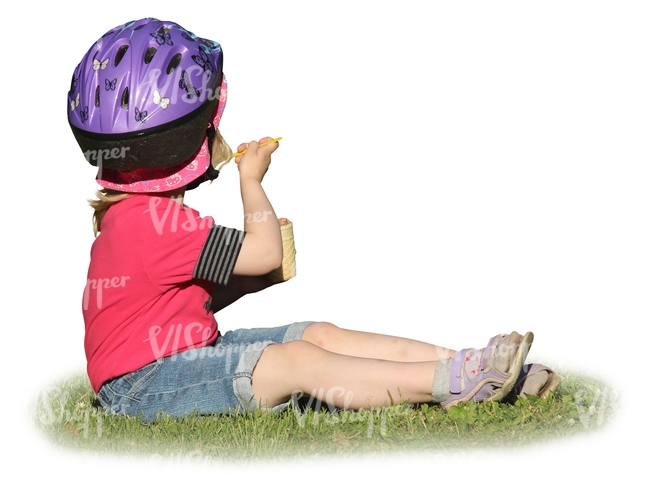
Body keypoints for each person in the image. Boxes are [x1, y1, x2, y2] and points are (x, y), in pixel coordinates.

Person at [69, 18, 560, 422]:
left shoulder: (137, 217)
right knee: (298, 362)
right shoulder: (155, 222)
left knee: (316, 334)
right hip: (142, 387)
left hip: (170, 359)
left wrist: (249, 282)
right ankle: (455, 384)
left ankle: (476, 367)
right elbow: (264, 251)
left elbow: (176, 305)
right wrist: (251, 181)